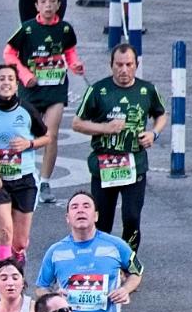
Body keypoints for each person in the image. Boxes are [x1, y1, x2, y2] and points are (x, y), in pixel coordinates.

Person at [70, 43, 168, 252]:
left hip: (134, 164)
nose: (124, 70)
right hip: (104, 165)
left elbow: (161, 114)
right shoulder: (98, 90)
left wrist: (153, 133)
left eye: (129, 65)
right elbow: (77, 123)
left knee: (132, 217)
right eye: (119, 65)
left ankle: (128, 262)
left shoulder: (147, 90)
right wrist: (105, 128)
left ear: (136, 65)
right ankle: (103, 260)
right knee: (102, 219)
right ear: (111, 65)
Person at [4, 0, 83, 195]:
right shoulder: (27, 29)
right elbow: (9, 54)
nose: (48, 6)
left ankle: (45, 181)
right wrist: (25, 75)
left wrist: (75, 65)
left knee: (52, 134)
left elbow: (70, 52)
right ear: (37, 5)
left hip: (55, 89)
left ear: (58, 4)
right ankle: (22, 177)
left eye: (52, 2)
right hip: (30, 90)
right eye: (43, 2)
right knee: (26, 133)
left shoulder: (65, 29)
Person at [0, 64, 51, 264]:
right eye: (1, 79)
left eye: (10, 79)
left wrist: (28, 143)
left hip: (25, 179)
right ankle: (3, 273)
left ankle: (18, 257)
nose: (6, 83)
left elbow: (46, 137)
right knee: (5, 232)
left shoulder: (27, 110)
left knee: (19, 241)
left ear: (17, 84)